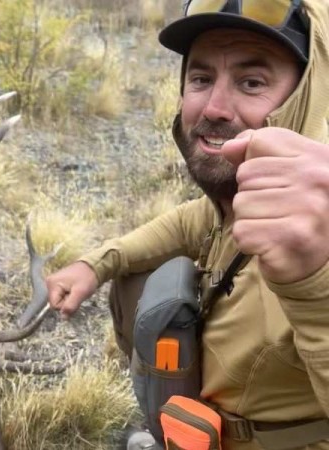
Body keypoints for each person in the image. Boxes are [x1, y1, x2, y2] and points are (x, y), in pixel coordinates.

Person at [46, 1, 329, 449]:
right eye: (200, 78)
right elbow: (187, 222)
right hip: (198, 430)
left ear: (307, 96)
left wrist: (315, 283)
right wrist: (95, 264)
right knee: (137, 276)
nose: (214, 108)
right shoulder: (235, 199)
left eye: (252, 82)